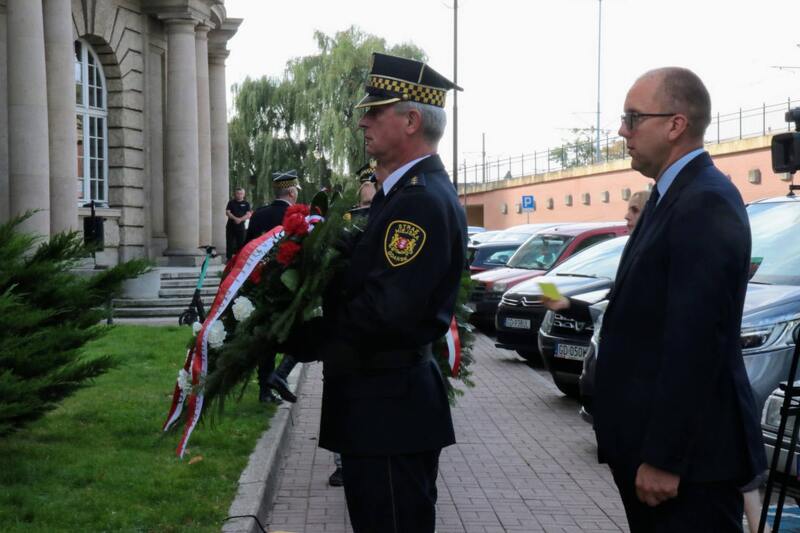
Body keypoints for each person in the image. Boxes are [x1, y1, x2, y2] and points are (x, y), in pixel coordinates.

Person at [566, 67, 765, 532]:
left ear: (675, 124)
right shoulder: (671, 195)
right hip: (654, 453)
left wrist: (664, 457)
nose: (621, 131)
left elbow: (695, 343)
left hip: (689, 467)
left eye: (633, 118)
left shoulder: (704, 201)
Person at [291, 52, 465, 532]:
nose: (363, 120)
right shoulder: (402, 193)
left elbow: (384, 311)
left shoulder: (420, 202)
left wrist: (301, 337)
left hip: (388, 408)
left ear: (411, 120)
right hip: (383, 406)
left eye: (376, 110)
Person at [246, 170, 302, 404]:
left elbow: (246, 250)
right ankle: (279, 376)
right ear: (291, 192)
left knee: (266, 338)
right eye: (296, 192)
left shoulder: (259, 215)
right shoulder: (295, 216)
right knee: (300, 332)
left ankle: (265, 391)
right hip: (288, 287)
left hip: (261, 285)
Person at [225, 188, 252, 260]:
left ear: (244, 194)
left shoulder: (246, 204)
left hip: (241, 227)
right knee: (229, 243)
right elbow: (228, 212)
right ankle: (229, 259)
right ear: (235, 194)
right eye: (238, 193)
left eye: (241, 194)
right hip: (230, 226)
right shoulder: (231, 203)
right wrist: (235, 218)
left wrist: (240, 219)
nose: (239, 195)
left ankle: (240, 259)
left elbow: (249, 214)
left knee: (241, 243)